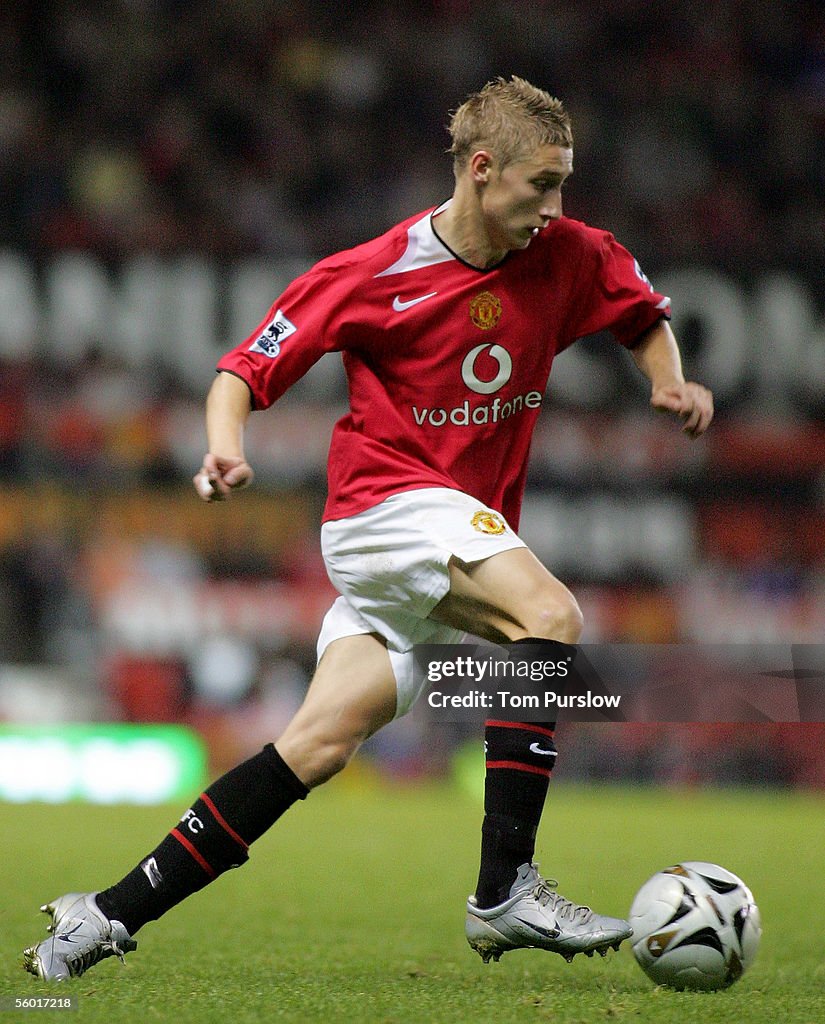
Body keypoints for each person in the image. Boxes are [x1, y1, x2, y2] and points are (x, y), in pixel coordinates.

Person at [23, 76, 713, 981]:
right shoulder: (370, 273)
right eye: (539, 185)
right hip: (383, 509)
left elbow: (640, 315)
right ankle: (504, 888)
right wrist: (224, 448)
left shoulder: (573, 252)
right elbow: (243, 371)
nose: (555, 207)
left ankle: (100, 918)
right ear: (479, 169)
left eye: (563, 184)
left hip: (446, 541)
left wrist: (668, 378)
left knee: (313, 746)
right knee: (549, 617)